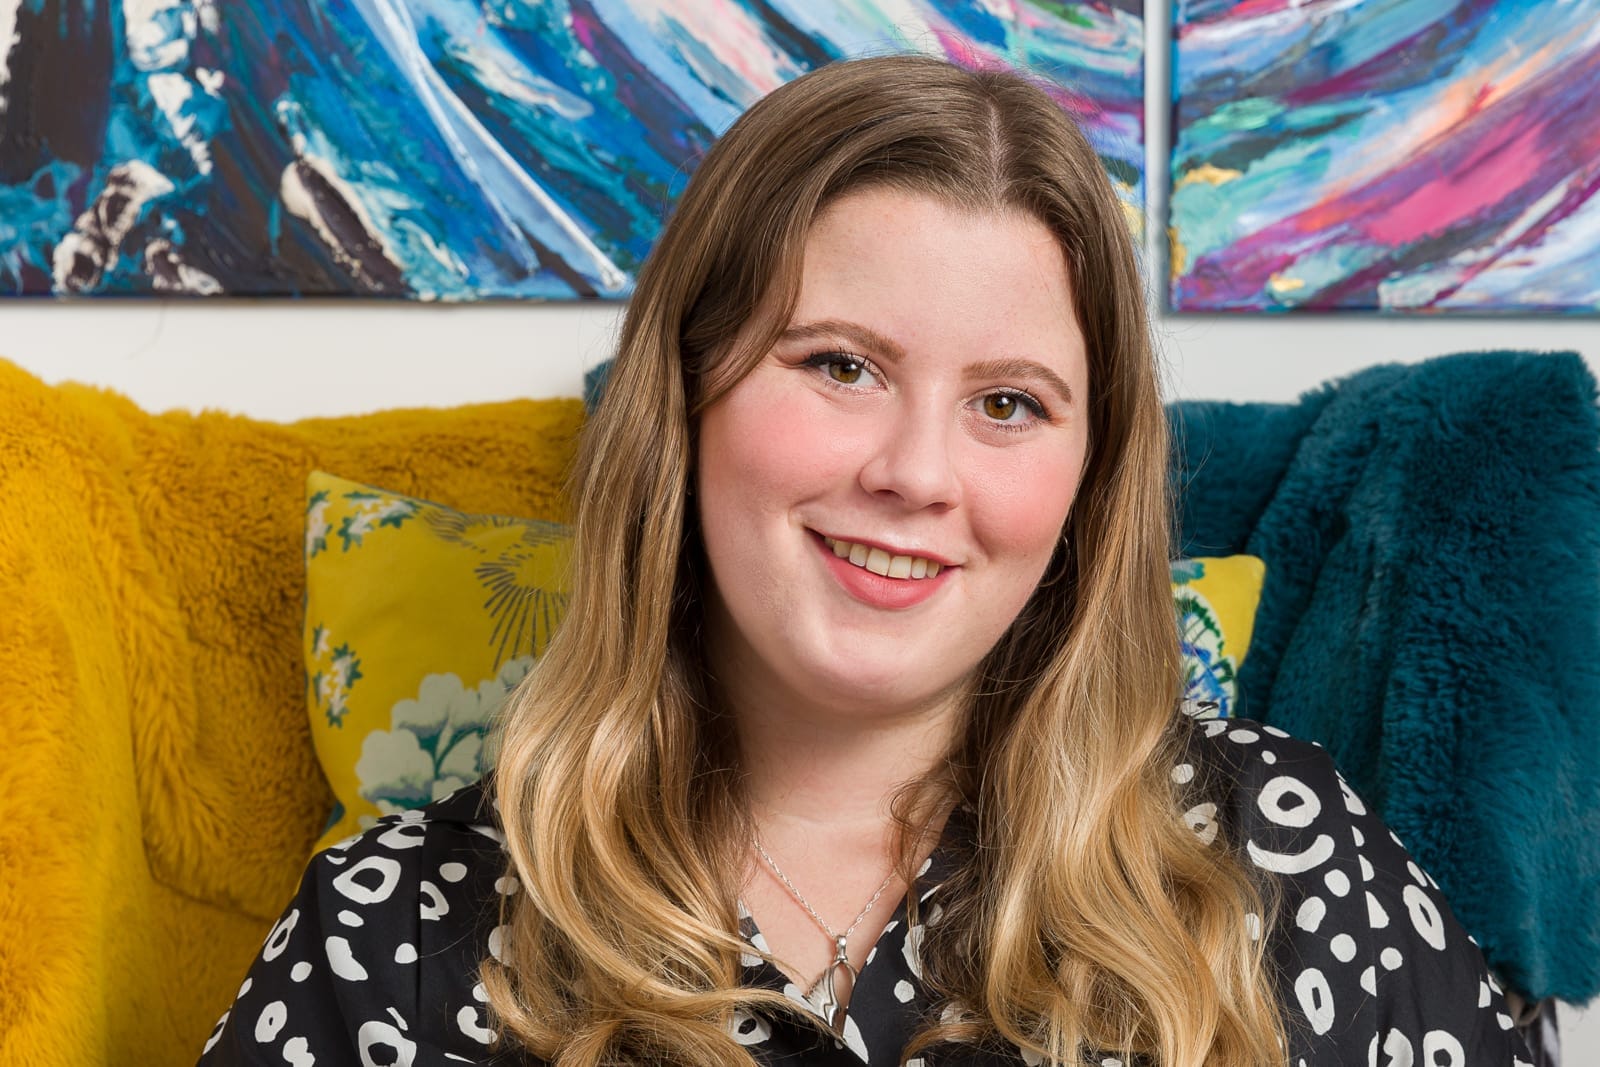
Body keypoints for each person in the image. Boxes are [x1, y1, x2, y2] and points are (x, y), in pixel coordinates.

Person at [197, 55, 1534, 1066]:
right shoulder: (394, 938)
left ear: (1087, 478)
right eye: (839, 365)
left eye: (1008, 403)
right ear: (688, 398)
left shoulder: (1283, 861)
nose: (916, 471)